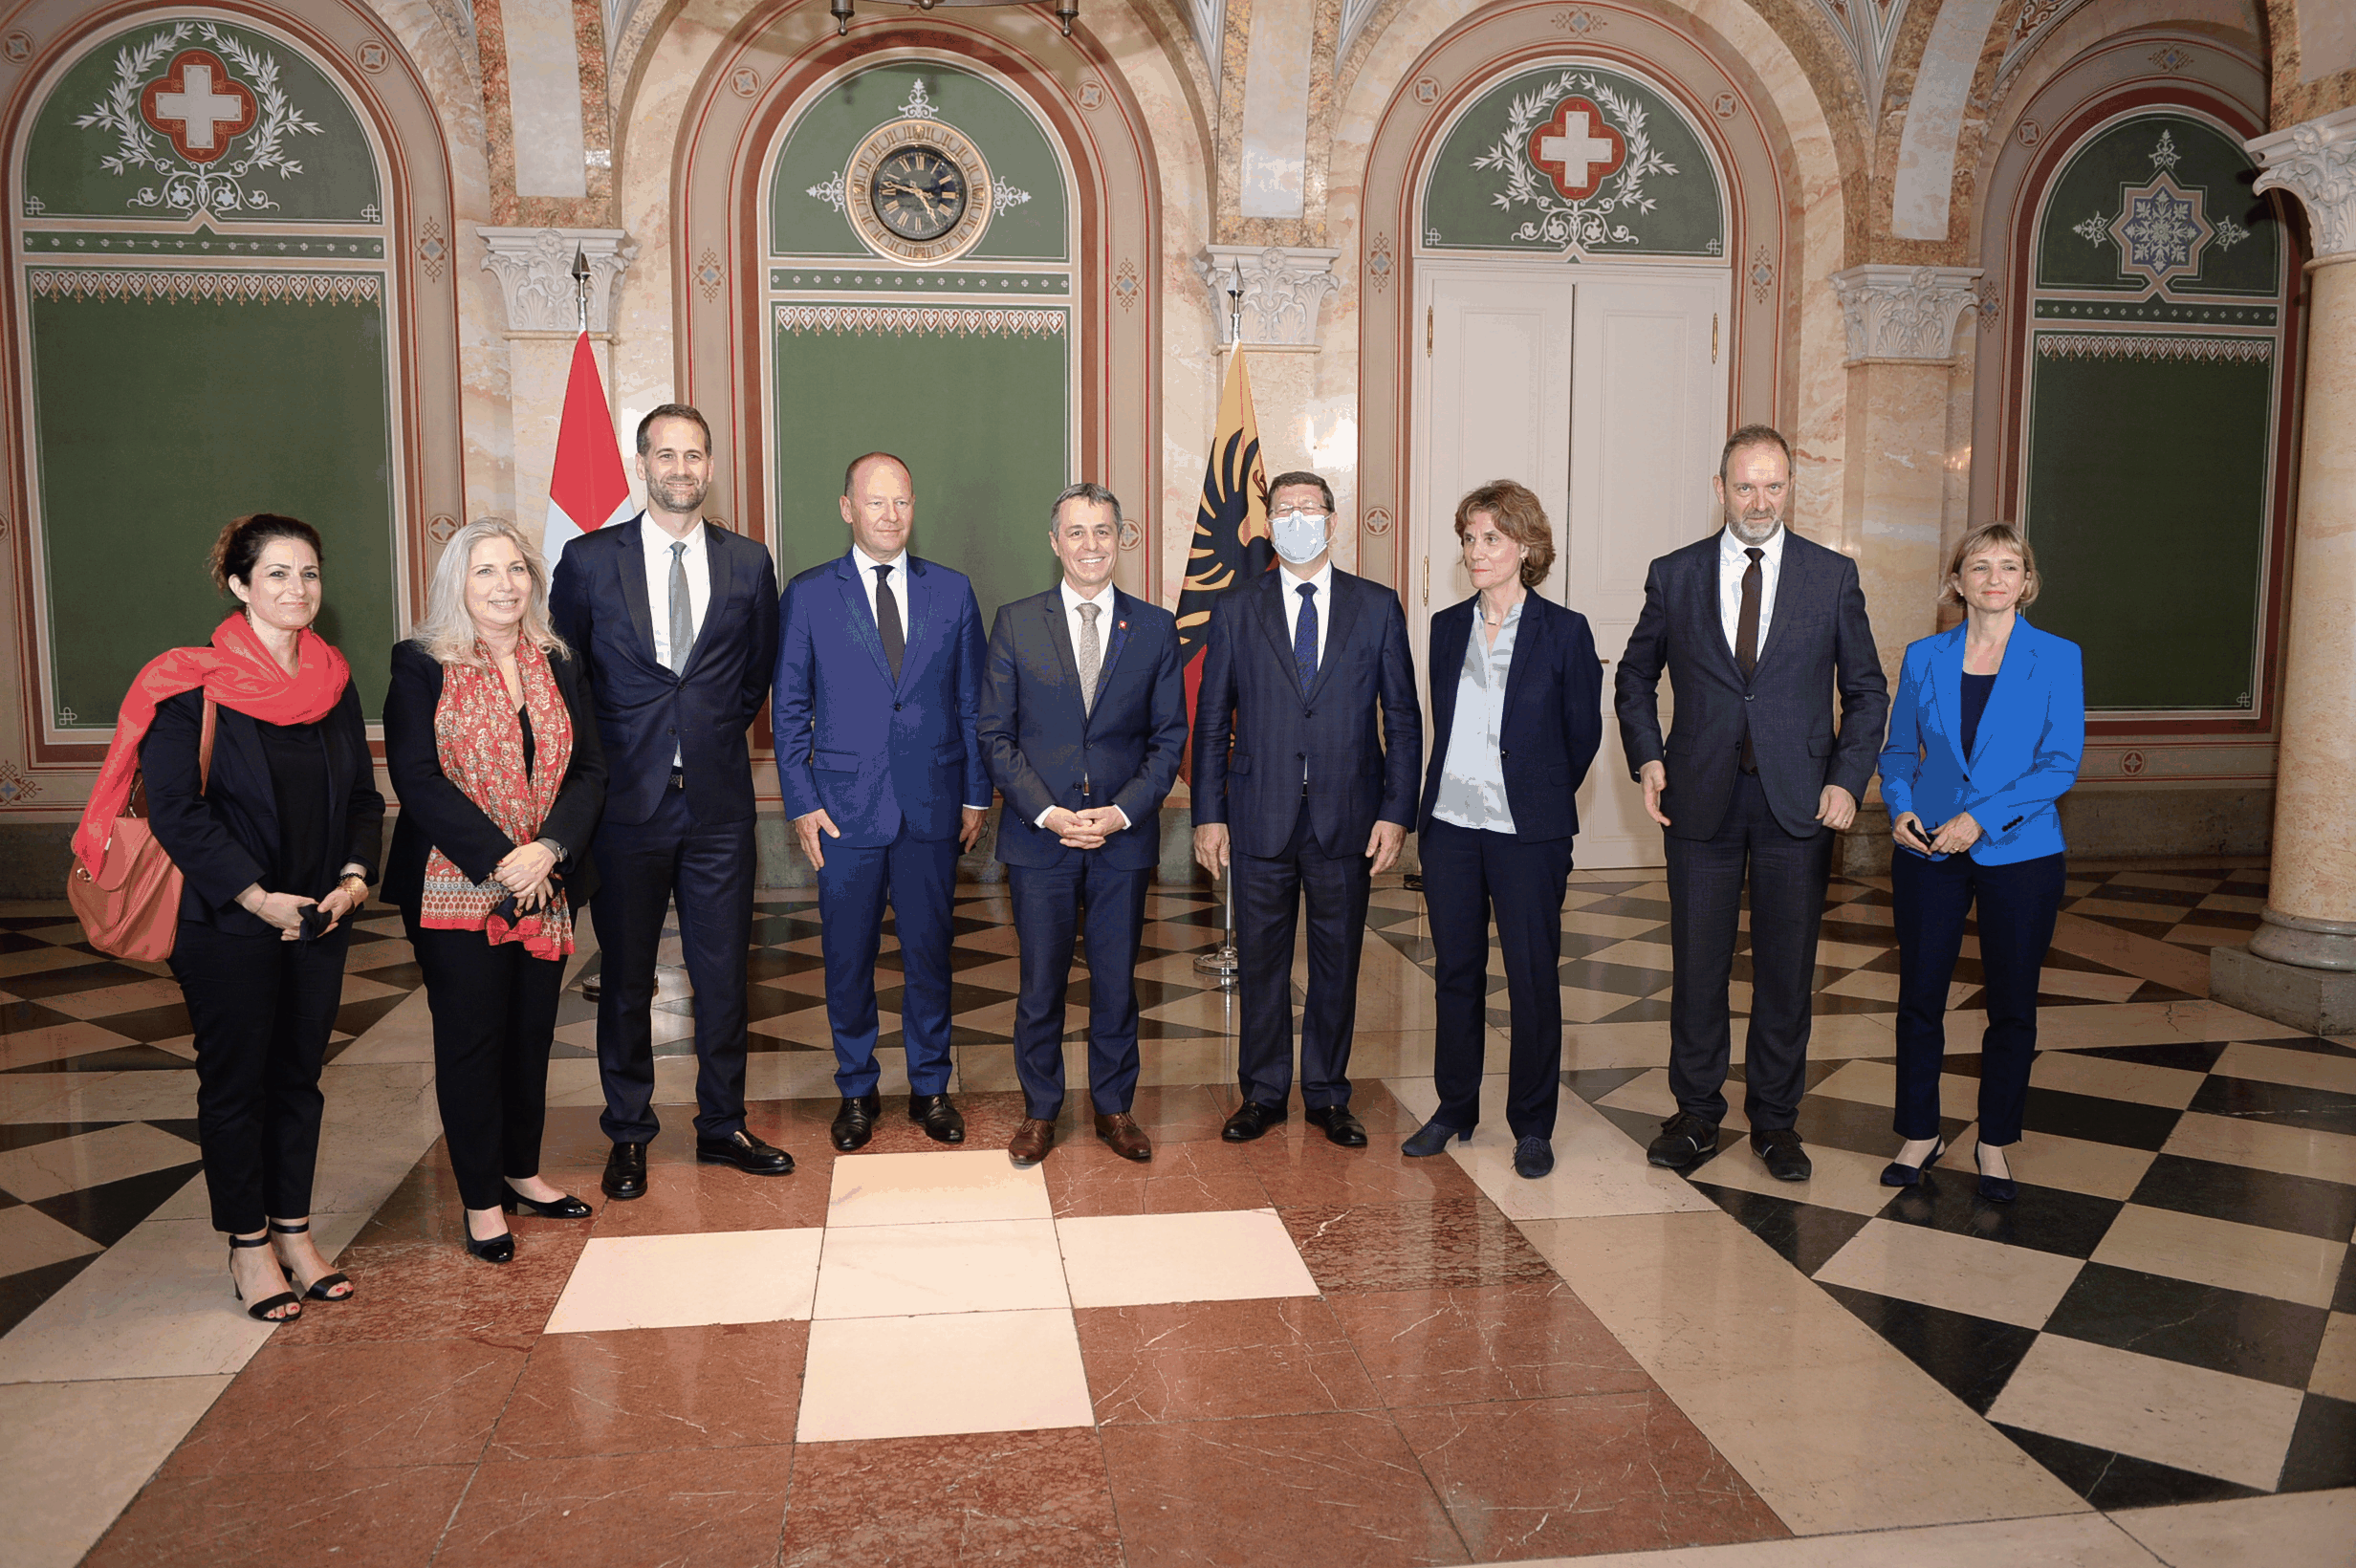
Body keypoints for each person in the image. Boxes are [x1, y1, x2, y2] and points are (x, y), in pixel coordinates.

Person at [75, 514, 384, 1322]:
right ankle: (248, 1247)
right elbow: (178, 811)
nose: (298, 589)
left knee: (300, 1080)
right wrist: (254, 895)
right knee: (237, 1083)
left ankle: (296, 1233)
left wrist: (353, 878)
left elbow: (360, 794)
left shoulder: (333, 679)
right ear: (240, 585)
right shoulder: (187, 682)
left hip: (320, 912)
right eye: (277, 574)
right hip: (225, 917)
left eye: (310, 573)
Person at [1616, 425, 1887, 1182]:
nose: (1759, 500)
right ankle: (1697, 1114)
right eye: (1745, 486)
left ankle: (1775, 1122)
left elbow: (1866, 692)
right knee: (1698, 967)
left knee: (1786, 973)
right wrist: (1647, 755)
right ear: (1720, 488)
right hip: (1697, 801)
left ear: (1790, 485)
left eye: (1773, 485)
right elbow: (1635, 677)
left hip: (1797, 805)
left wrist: (1846, 779)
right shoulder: (1674, 575)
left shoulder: (1831, 577)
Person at [549, 403, 790, 1201]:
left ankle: (722, 1125)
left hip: (719, 803)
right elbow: (566, 680)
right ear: (639, 465)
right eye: (665, 454)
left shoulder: (751, 563)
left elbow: (755, 672)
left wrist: (708, 725)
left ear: (710, 467)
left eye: (694, 455)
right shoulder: (587, 563)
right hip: (625, 805)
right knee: (625, 978)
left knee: (725, 975)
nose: (680, 469)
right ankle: (629, 1132)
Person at [385, 519, 608, 1261]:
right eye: (485, 571)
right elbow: (415, 777)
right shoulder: (421, 663)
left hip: (545, 886)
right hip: (454, 885)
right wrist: (502, 859)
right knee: (473, 1043)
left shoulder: (558, 661)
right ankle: (482, 1201)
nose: (504, 585)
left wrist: (547, 851)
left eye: (516, 569)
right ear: (459, 583)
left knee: (529, 1038)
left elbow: (589, 771)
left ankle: (522, 1172)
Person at [1191, 470, 1422, 1147]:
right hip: (1257, 816)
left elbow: (1402, 721)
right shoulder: (1237, 608)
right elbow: (1210, 723)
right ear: (1267, 524)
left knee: (1336, 962)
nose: (1297, 518)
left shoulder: (1377, 606)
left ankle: (1326, 1093)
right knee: (1261, 965)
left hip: (1347, 819)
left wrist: (1396, 812)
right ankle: (1262, 1093)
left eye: (1309, 508)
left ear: (1332, 518)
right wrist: (1208, 813)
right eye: (1283, 509)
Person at [774, 452, 990, 1151]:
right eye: (875, 502)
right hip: (842, 811)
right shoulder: (808, 595)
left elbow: (971, 703)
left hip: (932, 806)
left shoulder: (953, 592)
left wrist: (977, 795)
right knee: (847, 959)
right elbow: (790, 707)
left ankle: (931, 1087)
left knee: (930, 955)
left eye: (901, 502)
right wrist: (801, 802)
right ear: (847, 509)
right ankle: (856, 1090)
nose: (890, 515)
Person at [978, 483, 1188, 1166]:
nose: (1090, 544)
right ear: (1054, 542)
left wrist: (1123, 811)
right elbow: (995, 734)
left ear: (1120, 540)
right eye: (1076, 532)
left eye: (1103, 531)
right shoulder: (1015, 622)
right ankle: (1040, 1110)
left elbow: (1167, 739)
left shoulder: (1154, 628)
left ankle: (1114, 1107)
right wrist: (1047, 810)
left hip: (1122, 840)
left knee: (1116, 982)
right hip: (1041, 839)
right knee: (1039, 984)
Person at [1878, 524, 2083, 1204]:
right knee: (1920, 997)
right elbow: (1898, 750)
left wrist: (1983, 819)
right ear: (1957, 581)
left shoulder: (2057, 657)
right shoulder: (1923, 656)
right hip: (1928, 845)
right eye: (1980, 566)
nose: (1995, 578)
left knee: (2013, 1004)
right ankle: (1918, 1133)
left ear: (2027, 582)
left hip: (2021, 850)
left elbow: (2060, 763)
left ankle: (1993, 1141)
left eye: (2010, 566)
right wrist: (1900, 808)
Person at [1406, 482, 1603, 1179]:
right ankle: (1454, 1107)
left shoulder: (1566, 631)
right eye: (1468, 538)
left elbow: (1582, 738)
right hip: (1452, 829)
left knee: (1530, 979)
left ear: (1525, 545)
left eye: (1491, 537)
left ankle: (1532, 1124)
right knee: (1456, 974)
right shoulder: (1445, 628)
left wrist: (1535, 797)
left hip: (1529, 836)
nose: (1476, 551)